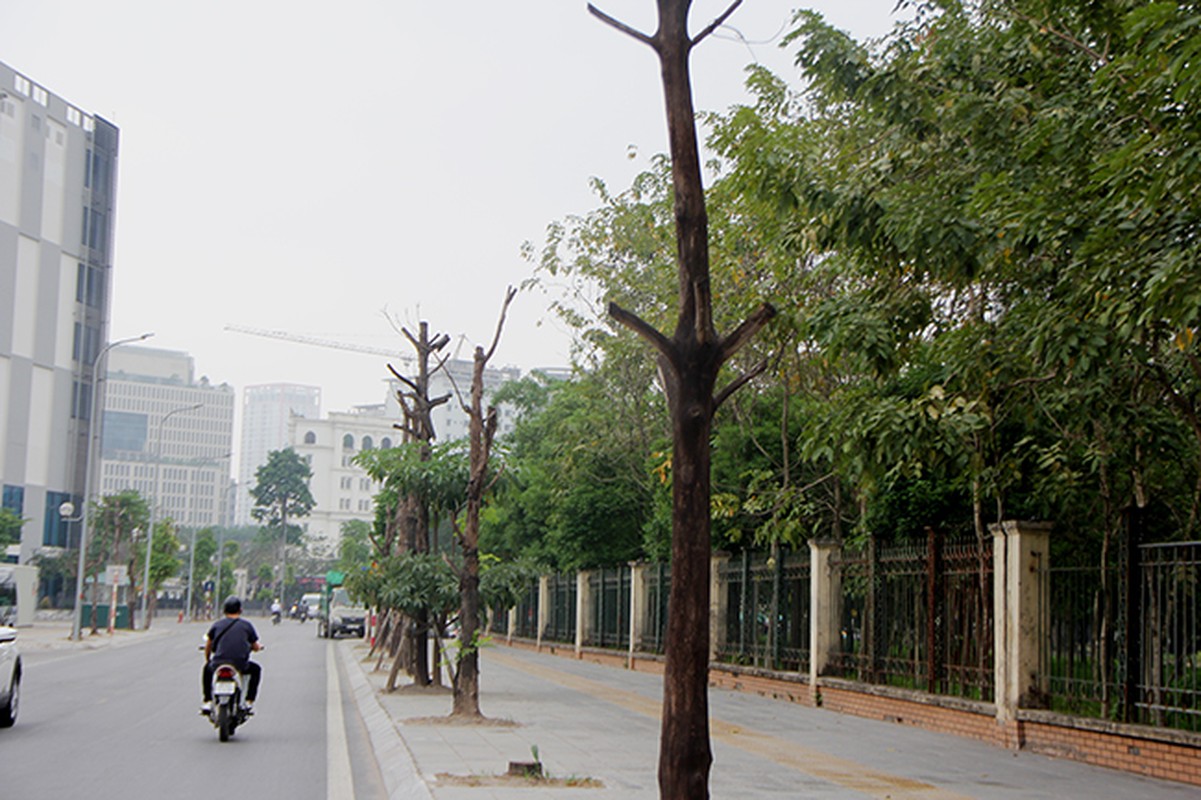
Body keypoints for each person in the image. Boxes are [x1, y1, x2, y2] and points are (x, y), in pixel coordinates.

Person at [200, 596, 262, 715]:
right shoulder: (246, 626)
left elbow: (208, 644)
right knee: (256, 670)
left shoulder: (217, 625)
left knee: (206, 669)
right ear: (240, 610)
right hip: (240, 664)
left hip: (218, 662)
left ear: (224, 610)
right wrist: (258, 648)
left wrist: (208, 660)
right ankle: (249, 701)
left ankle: (207, 700)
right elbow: (255, 646)